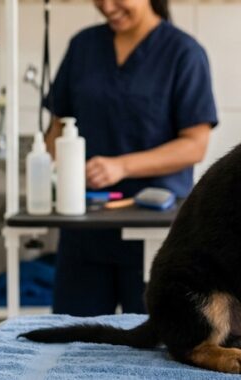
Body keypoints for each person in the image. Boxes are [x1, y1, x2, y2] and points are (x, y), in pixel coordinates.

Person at [42, 0, 217, 316]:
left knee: (156, 347)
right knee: (73, 342)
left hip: (156, 235)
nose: (107, 7)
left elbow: (195, 145)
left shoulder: (183, 53)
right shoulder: (83, 46)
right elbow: (57, 126)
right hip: (85, 231)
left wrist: (121, 166)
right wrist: (60, 162)